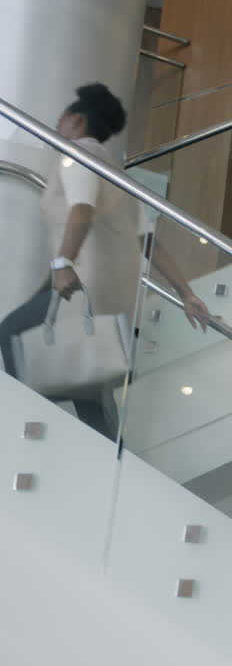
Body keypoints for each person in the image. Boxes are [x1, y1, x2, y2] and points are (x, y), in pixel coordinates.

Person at [0, 83, 207, 439]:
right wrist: (186, 293)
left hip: (83, 285)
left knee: (11, 333)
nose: (58, 124)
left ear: (77, 120)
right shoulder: (112, 169)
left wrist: (63, 263)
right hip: (109, 293)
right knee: (87, 383)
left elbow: (81, 209)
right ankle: (104, 453)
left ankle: (26, 424)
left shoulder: (79, 154)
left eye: (62, 118)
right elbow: (147, 241)